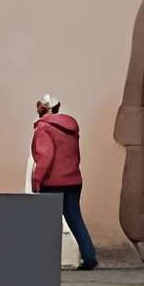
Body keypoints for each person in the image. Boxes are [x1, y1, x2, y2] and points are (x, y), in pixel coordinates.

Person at [28, 93, 95, 270]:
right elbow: (76, 155)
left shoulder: (43, 129)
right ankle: (89, 257)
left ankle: (45, 260)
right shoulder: (71, 128)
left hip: (52, 183)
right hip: (73, 180)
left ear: (40, 110)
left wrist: (37, 180)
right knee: (75, 219)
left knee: (47, 224)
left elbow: (45, 157)